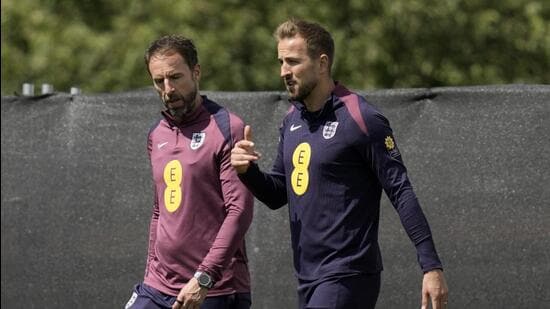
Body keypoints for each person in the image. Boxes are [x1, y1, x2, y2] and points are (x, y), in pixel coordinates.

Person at [230, 19, 448, 309]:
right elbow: (277, 194)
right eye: (281, 62)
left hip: (349, 274)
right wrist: (248, 172)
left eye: (293, 62)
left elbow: (401, 191)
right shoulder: (292, 120)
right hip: (308, 278)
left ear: (322, 64)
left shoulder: (361, 117)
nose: (284, 71)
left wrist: (430, 266)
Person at [125, 35, 254, 309]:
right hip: (158, 286)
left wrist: (204, 278)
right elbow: (160, 211)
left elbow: (239, 210)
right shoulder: (156, 134)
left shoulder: (226, 127)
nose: (168, 89)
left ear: (196, 72)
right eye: (159, 81)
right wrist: (150, 271)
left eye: (175, 77)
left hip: (212, 290)